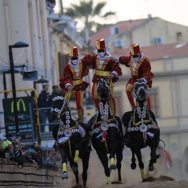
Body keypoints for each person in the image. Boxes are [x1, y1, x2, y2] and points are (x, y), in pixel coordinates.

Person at [83, 38, 122, 116]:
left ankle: (113, 115)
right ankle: (100, 111)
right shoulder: (94, 58)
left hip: (107, 79)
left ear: (105, 49)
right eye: (99, 51)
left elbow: (116, 68)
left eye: (102, 50)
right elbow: (89, 64)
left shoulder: (111, 59)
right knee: (94, 96)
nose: (100, 52)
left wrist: (113, 74)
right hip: (97, 79)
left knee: (111, 97)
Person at [119, 43, 154, 110]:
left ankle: (149, 110)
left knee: (145, 92)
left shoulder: (145, 61)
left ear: (139, 53)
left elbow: (147, 71)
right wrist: (118, 59)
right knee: (128, 89)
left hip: (143, 79)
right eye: (133, 56)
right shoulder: (130, 58)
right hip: (134, 79)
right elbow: (123, 59)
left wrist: (144, 79)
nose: (135, 57)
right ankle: (133, 106)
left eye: (136, 56)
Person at [59, 47, 90, 122]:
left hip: (79, 86)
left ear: (78, 56)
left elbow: (89, 62)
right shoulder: (67, 67)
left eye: (75, 57)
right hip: (71, 86)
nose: (74, 60)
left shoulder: (82, 63)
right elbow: (66, 77)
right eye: (72, 58)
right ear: (70, 58)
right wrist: (68, 85)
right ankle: (64, 119)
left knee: (79, 104)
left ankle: (81, 119)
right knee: (65, 102)